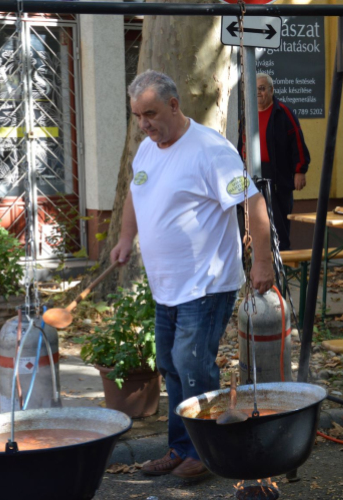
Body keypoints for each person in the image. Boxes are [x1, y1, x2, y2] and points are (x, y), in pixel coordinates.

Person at [110, 70, 274, 479]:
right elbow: (136, 192)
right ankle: (182, 446)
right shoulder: (147, 149)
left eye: (150, 113)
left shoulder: (210, 150)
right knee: (170, 364)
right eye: (137, 115)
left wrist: (262, 261)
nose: (145, 123)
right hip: (166, 286)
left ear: (174, 105)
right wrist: (126, 237)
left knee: (193, 363)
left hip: (205, 283)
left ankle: (207, 453)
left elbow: (253, 203)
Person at [237, 73, 310, 251]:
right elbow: (241, 144)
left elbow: (298, 144)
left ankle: (281, 269)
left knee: (278, 226)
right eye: (255, 89)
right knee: (249, 222)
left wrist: (300, 170)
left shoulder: (283, 113)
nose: (258, 93)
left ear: (271, 90)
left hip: (277, 176)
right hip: (252, 174)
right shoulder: (247, 114)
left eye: (262, 89)